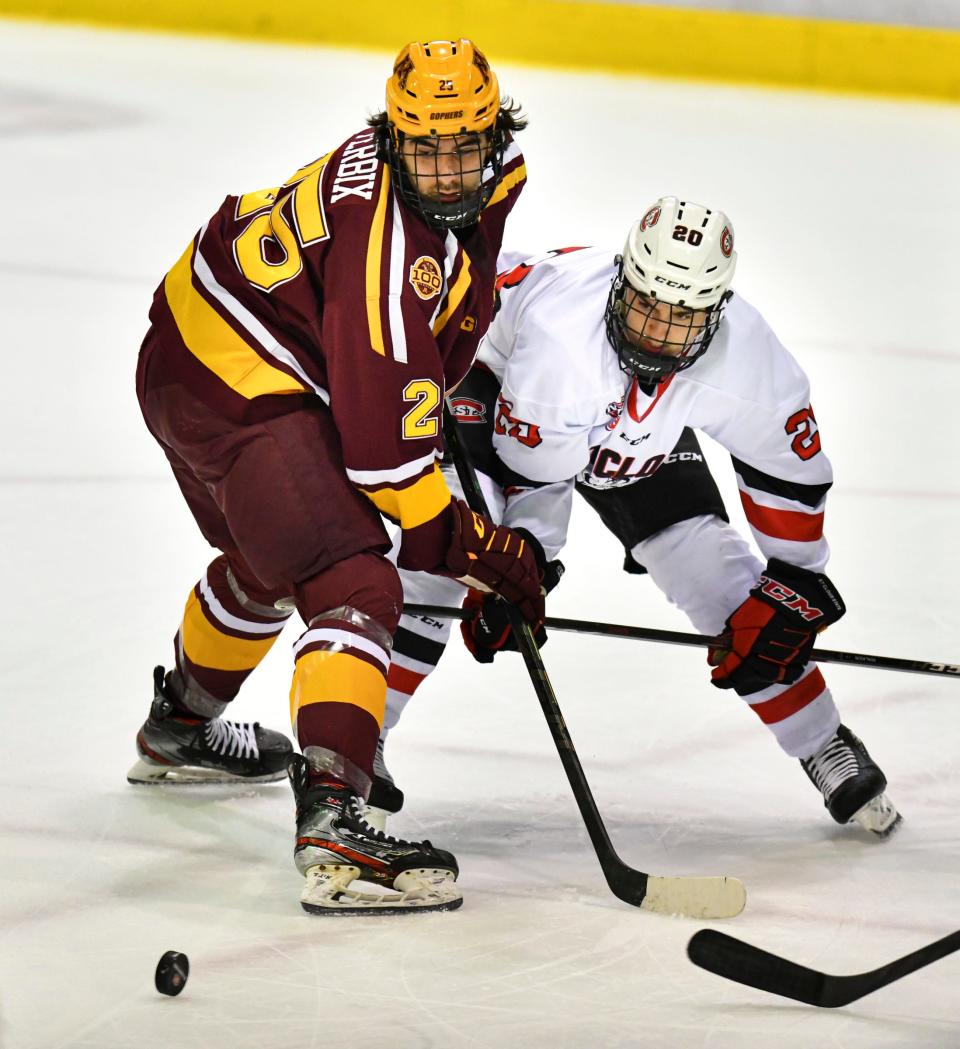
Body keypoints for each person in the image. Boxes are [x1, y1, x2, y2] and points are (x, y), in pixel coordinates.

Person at [130, 39, 547, 915]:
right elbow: (385, 463)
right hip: (240, 385)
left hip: (196, 353)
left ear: (492, 136)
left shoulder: (460, 185)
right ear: (393, 138)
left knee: (273, 557)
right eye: (424, 150)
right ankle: (334, 823)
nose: (444, 171)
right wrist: (480, 549)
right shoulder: (386, 249)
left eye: (462, 148)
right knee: (353, 576)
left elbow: (433, 322)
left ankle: (178, 726)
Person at [387, 196, 901, 839]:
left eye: (682, 317)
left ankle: (823, 742)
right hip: (488, 387)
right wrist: (524, 562)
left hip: (631, 434)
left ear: (716, 311)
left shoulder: (748, 357)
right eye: (645, 304)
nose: (657, 331)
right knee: (445, 561)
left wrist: (795, 585)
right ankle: (360, 743)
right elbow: (534, 473)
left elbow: (788, 474)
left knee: (728, 587)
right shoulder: (562, 341)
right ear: (622, 280)